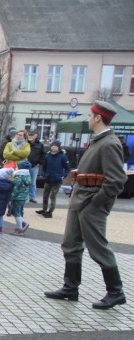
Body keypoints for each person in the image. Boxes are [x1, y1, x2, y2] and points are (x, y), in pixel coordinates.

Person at [45, 100, 127, 310]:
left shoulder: (109, 143)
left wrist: (95, 204)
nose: (88, 119)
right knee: (71, 245)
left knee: (98, 248)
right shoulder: (98, 140)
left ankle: (115, 292)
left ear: (98, 117)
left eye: (90, 116)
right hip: (80, 199)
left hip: (91, 203)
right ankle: (70, 287)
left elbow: (116, 180)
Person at [37, 140, 70, 219]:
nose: (53, 147)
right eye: (52, 146)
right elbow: (44, 166)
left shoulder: (63, 156)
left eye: (55, 146)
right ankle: (44, 209)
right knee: (45, 195)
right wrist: (44, 174)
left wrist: (62, 176)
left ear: (58, 147)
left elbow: (67, 168)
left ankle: (50, 211)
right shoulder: (48, 155)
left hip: (57, 180)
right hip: (48, 178)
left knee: (52, 196)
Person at [9, 161, 31, 234]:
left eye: (17, 166)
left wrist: (10, 198)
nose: (16, 168)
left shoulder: (18, 177)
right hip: (23, 197)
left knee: (16, 213)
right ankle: (23, 223)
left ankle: (20, 229)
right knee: (17, 211)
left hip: (17, 198)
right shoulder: (27, 176)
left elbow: (15, 190)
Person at [26, 130, 45, 203]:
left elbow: (43, 154)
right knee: (24, 181)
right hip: (25, 165)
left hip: (35, 165)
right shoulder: (25, 143)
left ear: (35, 136)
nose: (30, 136)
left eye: (32, 135)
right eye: (29, 135)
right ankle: (24, 196)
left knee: (33, 182)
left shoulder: (40, 144)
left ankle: (32, 197)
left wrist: (40, 163)